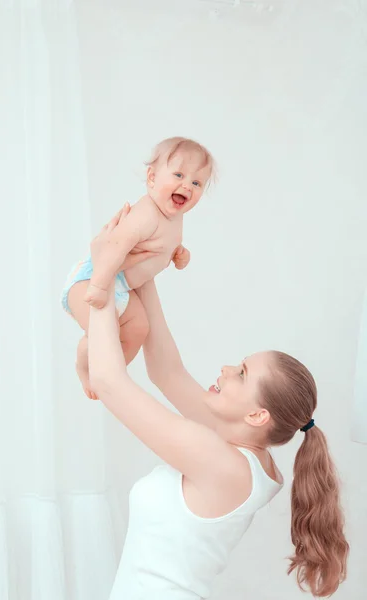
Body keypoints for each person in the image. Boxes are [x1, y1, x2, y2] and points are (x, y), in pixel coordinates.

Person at [87, 206, 349, 600]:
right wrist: (139, 266)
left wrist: (101, 273)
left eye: (242, 373)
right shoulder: (246, 454)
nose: (226, 369)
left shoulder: (222, 462)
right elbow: (166, 372)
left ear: (258, 414)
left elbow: (108, 381)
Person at [61, 136, 215, 399]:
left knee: (138, 329)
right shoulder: (146, 213)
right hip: (92, 278)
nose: (186, 185)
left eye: (196, 182)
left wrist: (178, 254)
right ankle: (86, 365)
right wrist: (99, 284)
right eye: (178, 174)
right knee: (105, 335)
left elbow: (162, 247)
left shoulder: (173, 217)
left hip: (121, 287)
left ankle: (107, 372)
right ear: (152, 178)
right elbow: (115, 245)